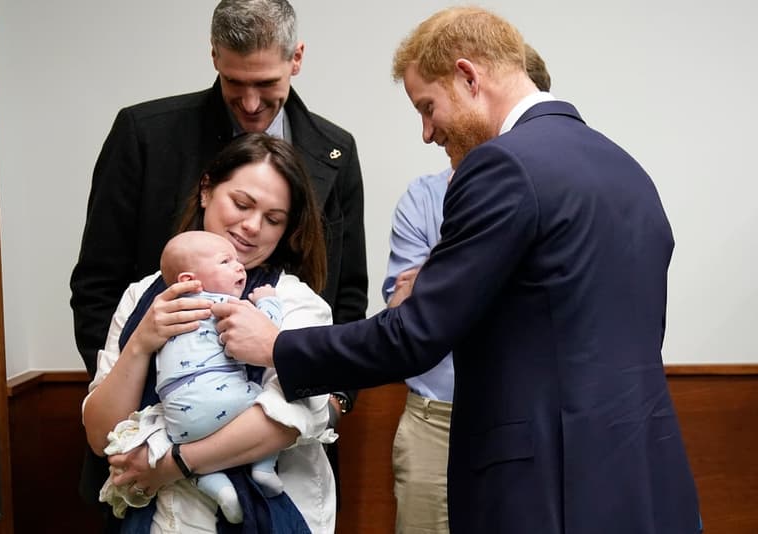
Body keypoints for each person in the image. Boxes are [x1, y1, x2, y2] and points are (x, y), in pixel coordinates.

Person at [218, 7, 701, 534]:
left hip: (543, 486)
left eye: (427, 106)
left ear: (469, 77)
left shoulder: (502, 165)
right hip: (644, 476)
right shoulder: (627, 169)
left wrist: (277, 347)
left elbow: (415, 336)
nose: (427, 133)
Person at [71, 0, 366, 520]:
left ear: (296, 59)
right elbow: (97, 285)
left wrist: (334, 394)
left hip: (281, 460)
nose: (251, 103)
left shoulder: (333, 151)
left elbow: (347, 294)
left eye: (273, 217)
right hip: (154, 437)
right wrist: (145, 388)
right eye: (235, 82)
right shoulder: (147, 134)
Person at [82, 133, 337, 533]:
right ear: (206, 190)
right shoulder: (142, 297)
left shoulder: (292, 302)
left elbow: (286, 419)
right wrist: (142, 343)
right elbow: (102, 436)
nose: (252, 227)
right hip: (161, 520)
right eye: (241, 204)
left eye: (273, 219)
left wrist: (170, 465)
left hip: (274, 511)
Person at [384, 44, 552, 534]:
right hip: (435, 421)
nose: (427, 133)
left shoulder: (551, 186)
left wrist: (439, 273)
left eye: (428, 109)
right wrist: (470, 271)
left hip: (527, 423)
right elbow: (402, 313)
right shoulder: (423, 198)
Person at [157, 230, 286, 523]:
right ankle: (264, 468)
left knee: (201, 464)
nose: (239, 266)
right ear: (189, 281)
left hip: (178, 422)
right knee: (273, 403)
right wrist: (268, 300)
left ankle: (220, 488)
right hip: (223, 399)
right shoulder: (220, 305)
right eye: (225, 261)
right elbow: (268, 334)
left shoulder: (164, 313)